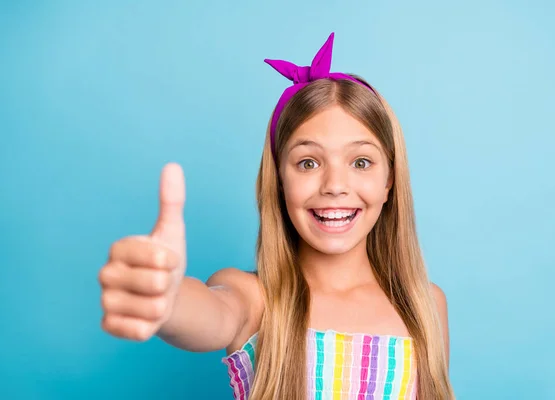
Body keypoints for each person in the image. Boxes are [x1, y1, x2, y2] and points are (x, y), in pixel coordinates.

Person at [98, 32, 455, 400]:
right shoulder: (254, 299)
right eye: (308, 162)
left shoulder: (424, 305)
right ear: (280, 181)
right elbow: (210, 313)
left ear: (389, 181)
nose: (335, 185)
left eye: (361, 162)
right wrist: (166, 300)